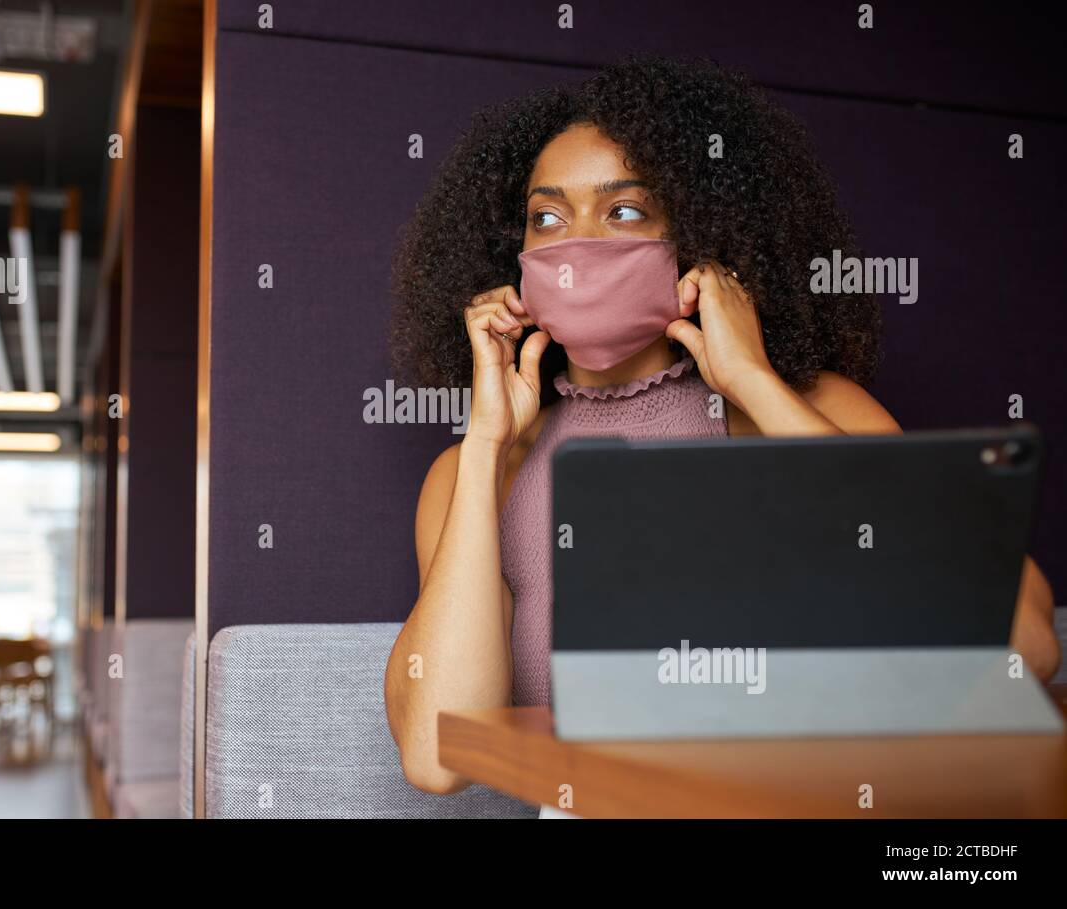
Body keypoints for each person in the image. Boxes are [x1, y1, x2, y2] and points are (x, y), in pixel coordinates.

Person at [382, 56, 1060, 796]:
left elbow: (1019, 637)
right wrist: (486, 447)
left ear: (700, 238)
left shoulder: (811, 410)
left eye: (625, 211)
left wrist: (757, 385)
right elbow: (434, 752)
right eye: (547, 218)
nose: (577, 246)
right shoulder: (472, 475)